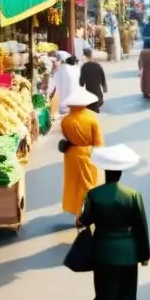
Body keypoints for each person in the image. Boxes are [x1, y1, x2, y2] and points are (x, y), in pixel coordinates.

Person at [78, 144, 150, 300]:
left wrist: (81, 220)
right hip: (127, 253)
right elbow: (141, 226)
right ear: (120, 172)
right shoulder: (133, 195)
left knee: (103, 286)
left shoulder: (93, 195)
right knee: (122, 295)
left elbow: (84, 221)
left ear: (105, 171)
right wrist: (144, 254)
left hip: (102, 250)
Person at [60, 87, 104, 218]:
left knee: (73, 183)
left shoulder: (65, 120)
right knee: (88, 182)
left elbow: (66, 136)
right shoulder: (92, 119)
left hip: (71, 154)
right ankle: (88, 210)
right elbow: (99, 142)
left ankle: (75, 209)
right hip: (88, 153)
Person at [80, 48, 108, 113]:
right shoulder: (98, 66)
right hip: (99, 97)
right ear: (91, 55)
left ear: (84, 56)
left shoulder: (84, 67)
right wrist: (105, 89)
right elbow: (103, 78)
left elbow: (81, 83)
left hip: (89, 97)